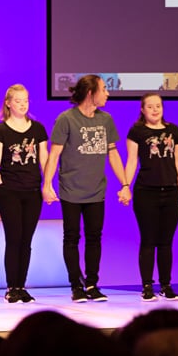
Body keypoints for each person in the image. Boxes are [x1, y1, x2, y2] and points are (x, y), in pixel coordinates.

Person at [42, 74, 129, 303]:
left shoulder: (106, 120)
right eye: (104, 89)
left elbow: (113, 153)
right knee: (71, 237)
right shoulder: (66, 119)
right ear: (91, 93)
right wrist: (47, 184)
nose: (107, 93)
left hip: (96, 191)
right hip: (71, 189)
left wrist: (125, 184)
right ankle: (76, 285)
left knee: (94, 238)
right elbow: (54, 154)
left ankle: (91, 284)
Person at [0, 84, 49, 303]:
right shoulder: (1, 131)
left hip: (32, 190)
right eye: (18, 101)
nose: (23, 104)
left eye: (25, 100)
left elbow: (44, 159)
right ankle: (11, 287)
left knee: (26, 240)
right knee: (14, 237)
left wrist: (48, 184)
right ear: (8, 103)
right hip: (9, 190)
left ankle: (21, 286)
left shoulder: (38, 129)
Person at [122, 92, 178, 301]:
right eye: (150, 106)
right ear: (142, 109)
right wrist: (125, 186)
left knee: (166, 242)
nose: (155, 110)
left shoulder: (173, 130)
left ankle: (166, 285)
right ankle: (147, 286)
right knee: (148, 240)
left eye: (158, 106)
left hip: (171, 192)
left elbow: (177, 161)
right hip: (146, 192)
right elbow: (131, 161)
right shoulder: (137, 131)